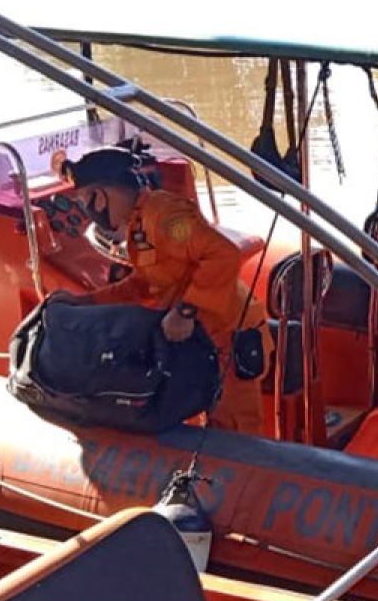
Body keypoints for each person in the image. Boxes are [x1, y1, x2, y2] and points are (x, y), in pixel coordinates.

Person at [53, 148, 267, 434]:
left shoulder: (166, 217)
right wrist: (86, 303)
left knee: (235, 428)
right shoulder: (139, 223)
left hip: (230, 332)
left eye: (85, 202)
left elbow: (222, 254)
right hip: (201, 337)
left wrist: (185, 311)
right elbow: (143, 284)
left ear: (100, 196)